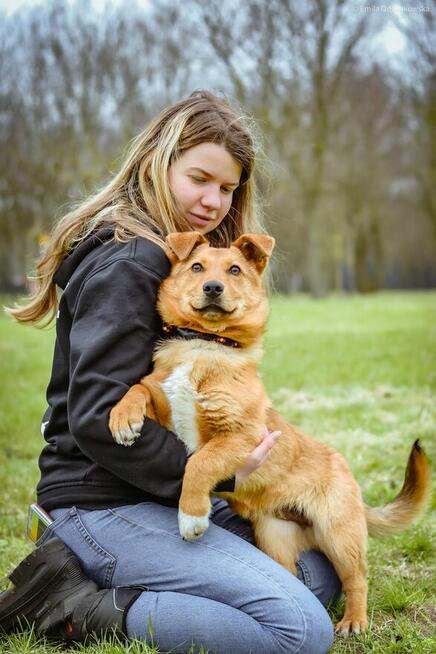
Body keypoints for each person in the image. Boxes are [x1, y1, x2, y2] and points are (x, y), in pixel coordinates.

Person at [0, 91, 340, 654]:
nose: (213, 200)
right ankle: (77, 604)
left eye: (227, 188)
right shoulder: (132, 261)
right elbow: (92, 417)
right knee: (299, 631)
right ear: (160, 162)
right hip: (100, 504)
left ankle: (142, 579)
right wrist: (210, 475)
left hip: (147, 495)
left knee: (317, 573)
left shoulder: (174, 257)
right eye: (199, 178)